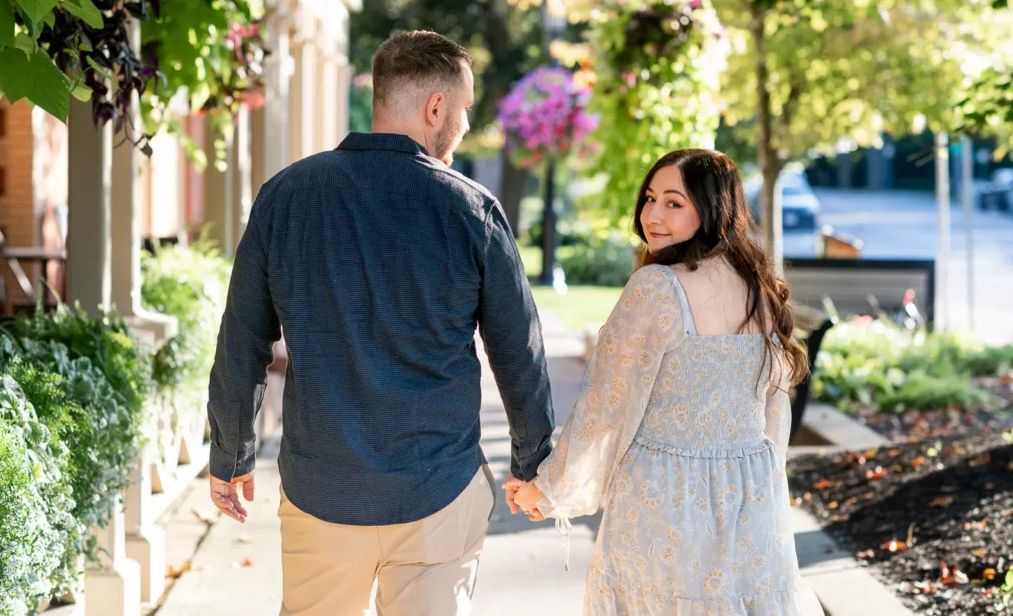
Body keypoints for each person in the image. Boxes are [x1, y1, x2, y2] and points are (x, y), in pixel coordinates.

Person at [206, 30, 555, 616]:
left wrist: (231, 455)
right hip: (437, 489)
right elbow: (519, 351)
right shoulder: (470, 210)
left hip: (323, 488)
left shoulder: (285, 197)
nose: (465, 126)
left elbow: (242, 340)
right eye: (464, 110)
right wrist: (533, 464)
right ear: (435, 107)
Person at [508, 149, 824, 615]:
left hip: (667, 503)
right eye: (650, 198)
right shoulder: (759, 286)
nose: (652, 215)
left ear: (712, 208)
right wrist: (765, 488)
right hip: (751, 503)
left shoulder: (658, 288)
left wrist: (550, 489)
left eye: (674, 203)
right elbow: (773, 418)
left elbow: (605, 409)